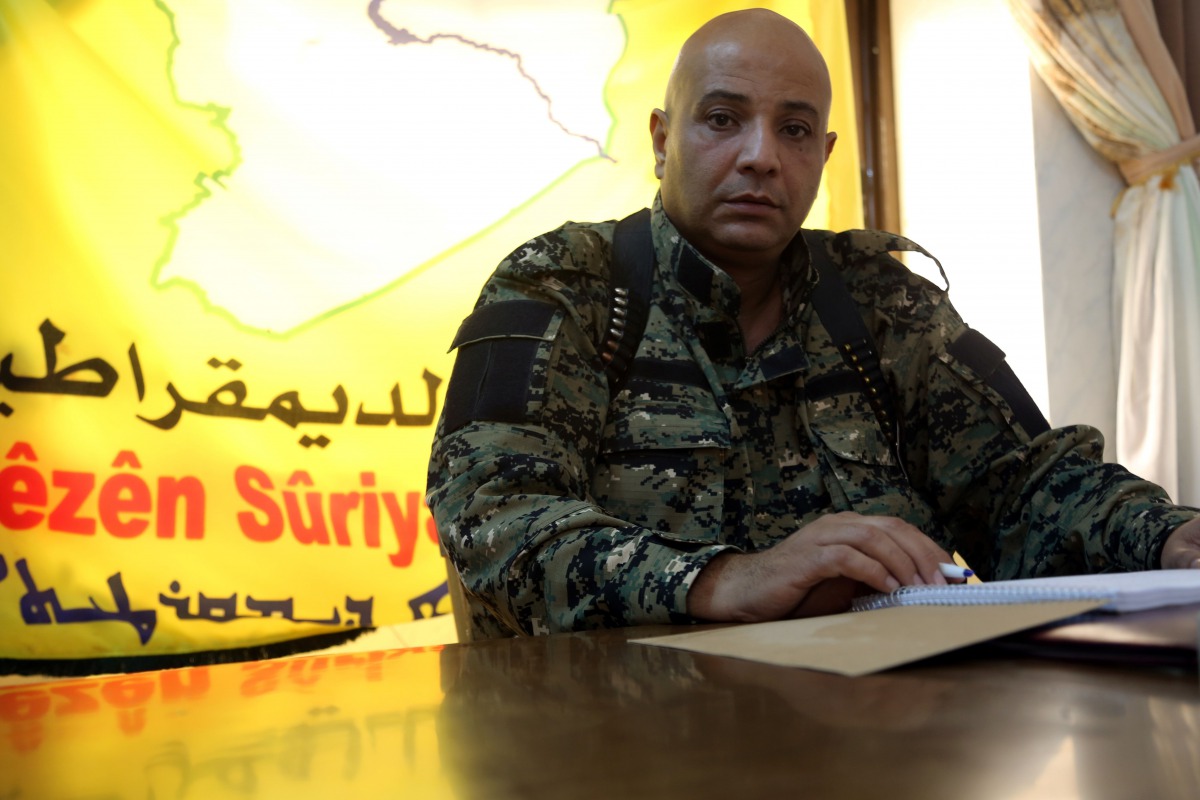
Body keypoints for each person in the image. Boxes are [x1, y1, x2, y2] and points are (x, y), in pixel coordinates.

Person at [426, 8, 1200, 639]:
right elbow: (493, 522)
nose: (761, 155)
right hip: (621, 739)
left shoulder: (883, 304)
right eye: (723, 119)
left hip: (875, 730)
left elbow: (1027, 486)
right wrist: (724, 579)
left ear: (823, 153)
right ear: (662, 139)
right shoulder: (572, 286)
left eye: (794, 130)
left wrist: (1163, 536)